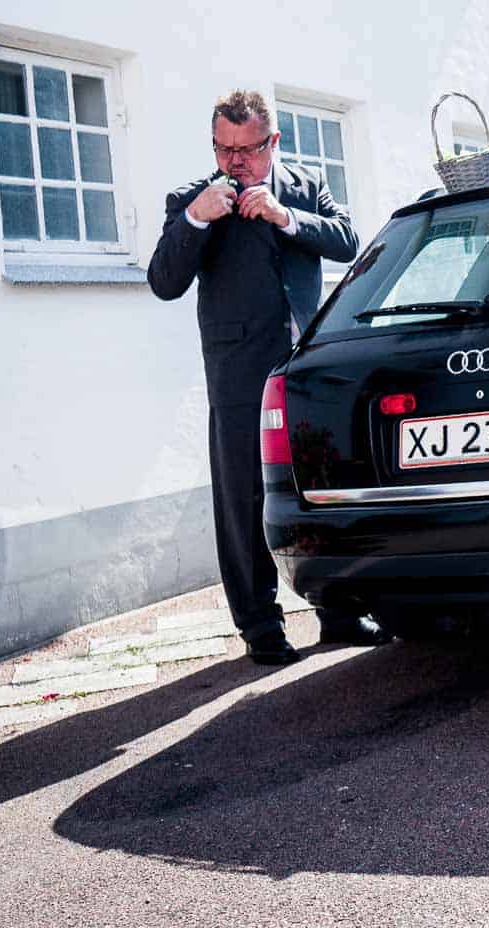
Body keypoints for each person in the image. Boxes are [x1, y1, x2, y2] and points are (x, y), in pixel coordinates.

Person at [147, 90, 387, 664]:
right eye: (223, 148)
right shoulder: (192, 200)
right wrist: (195, 220)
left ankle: (340, 611)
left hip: (307, 366)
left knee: (323, 490)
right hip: (237, 373)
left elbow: (349, 241)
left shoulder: (305, 187)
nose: (235, 161)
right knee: (244, 499)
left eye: (247, 150)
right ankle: (260, 627)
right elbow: (163, 281)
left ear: (272, 142)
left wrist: (284, 217)